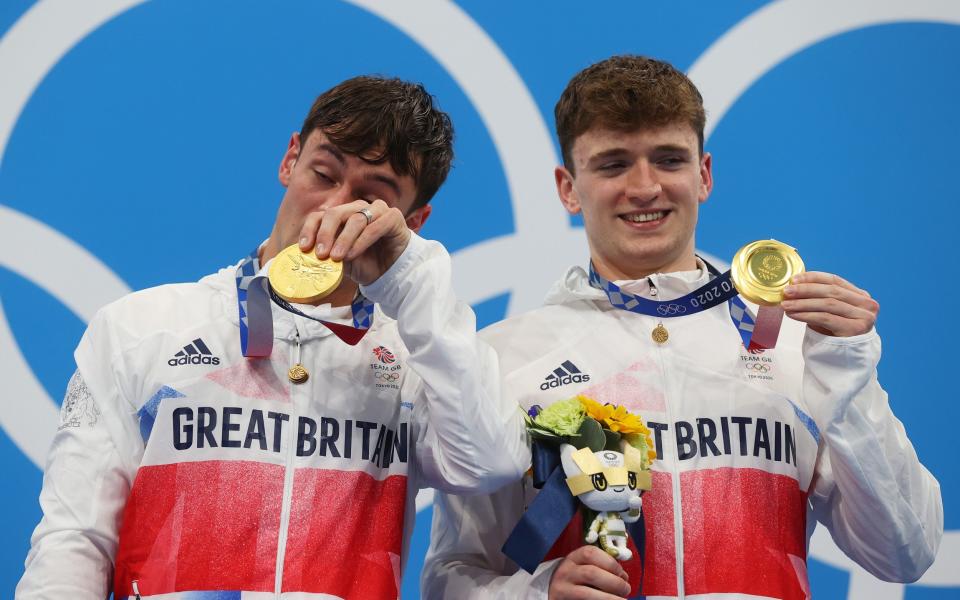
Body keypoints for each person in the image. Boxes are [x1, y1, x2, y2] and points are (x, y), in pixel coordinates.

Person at [422, 55, 943, 600]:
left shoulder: (799, 347)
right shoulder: (503, 360)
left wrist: (849, 374)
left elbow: (905, 551)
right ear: (568, 188)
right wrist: (535, 593)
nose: (644, 187)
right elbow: (450, 575)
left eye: (668, 159)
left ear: (704, 175)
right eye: (613, 164)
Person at [17, 75, 527, 599]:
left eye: (371, 200)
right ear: (290, 160)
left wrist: (412, 275)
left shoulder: (418, 358)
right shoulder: (138, 328)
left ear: (412, 223)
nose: (333, 208)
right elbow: (72, 542)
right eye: (323, 174)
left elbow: (492, 462)